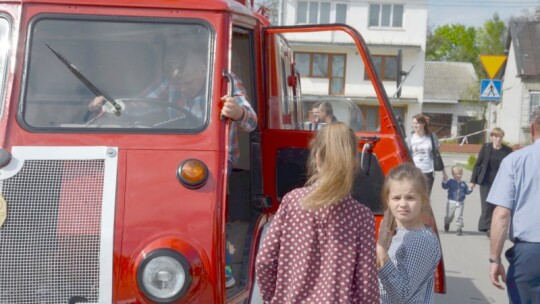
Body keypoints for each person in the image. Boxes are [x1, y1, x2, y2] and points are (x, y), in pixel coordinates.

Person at [90, 45, 258, 288]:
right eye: (174, 74)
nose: (180, 79)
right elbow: (141, 104)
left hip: (217, 159)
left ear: (204, 65)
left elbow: (252, 121)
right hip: (176, 154)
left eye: (185, 75)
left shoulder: (226, 83)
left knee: (207, 199)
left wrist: (239, 111)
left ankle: (222, 265)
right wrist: (111, 106)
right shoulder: (171, 83)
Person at [255, 122, 379, 303]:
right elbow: (367, 289)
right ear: (353, 164)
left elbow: (265, 262)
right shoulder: (361, 216)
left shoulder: (292, 202)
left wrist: (273, 298)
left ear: (317, 158)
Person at [486, 108, 540, 303]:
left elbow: (501, 213)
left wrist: (495, 259)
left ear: (533, 128)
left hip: (530, 257)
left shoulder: (515, 161)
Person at [376, 163, 441, 303]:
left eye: (410, 198)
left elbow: (402, 294)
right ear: (387, 201)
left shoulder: (420, 240)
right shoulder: (401, 233)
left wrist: (381, 252)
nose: (403, 204)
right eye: (396, 198)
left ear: (423, 200)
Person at [470, 127, 512, 237]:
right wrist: (473, 180)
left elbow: (511, 167)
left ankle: (494, 226)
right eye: (496, 136)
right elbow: (478, 164)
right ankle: (487, 227)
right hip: (486, 180)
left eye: (500, 137)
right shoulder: (486, 147)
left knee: (497, 205)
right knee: (486, 204)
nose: (498, 139)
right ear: (492, 137)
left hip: (500, 181)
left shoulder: (507, 150)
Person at [406, 113, 443, 196]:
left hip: (428, 171)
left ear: (423, 124)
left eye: (417, 123)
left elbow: (436, 152)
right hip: (414, 171)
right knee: (414, 195)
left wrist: (444, 172)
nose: (414, 125)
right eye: (413, 123)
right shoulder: (409, 139)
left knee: (426, 197)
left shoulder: (432, 137)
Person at [442, 165, 473, 236]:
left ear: (462, 174)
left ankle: (459, 228)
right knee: (449, 216)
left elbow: (467, 192)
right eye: (455, 174)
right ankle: (447, 223)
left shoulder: (463, 184)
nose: (458, 175)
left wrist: (471, 188)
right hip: (451, 203)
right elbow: (444, 186)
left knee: (459, 216)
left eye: (459, 174)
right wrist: (444, 180)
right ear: (452, 174)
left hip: (460, 203)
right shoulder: (450, 181)